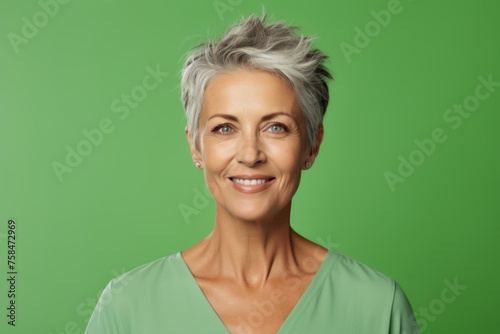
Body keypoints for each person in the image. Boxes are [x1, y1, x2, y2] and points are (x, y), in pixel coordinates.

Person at [85, 13, 419, 334]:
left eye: (276, 127)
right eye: (224, 128)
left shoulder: (376, 306)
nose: (249, 154)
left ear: (312, 145)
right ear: (196, 147)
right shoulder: (127, 306)